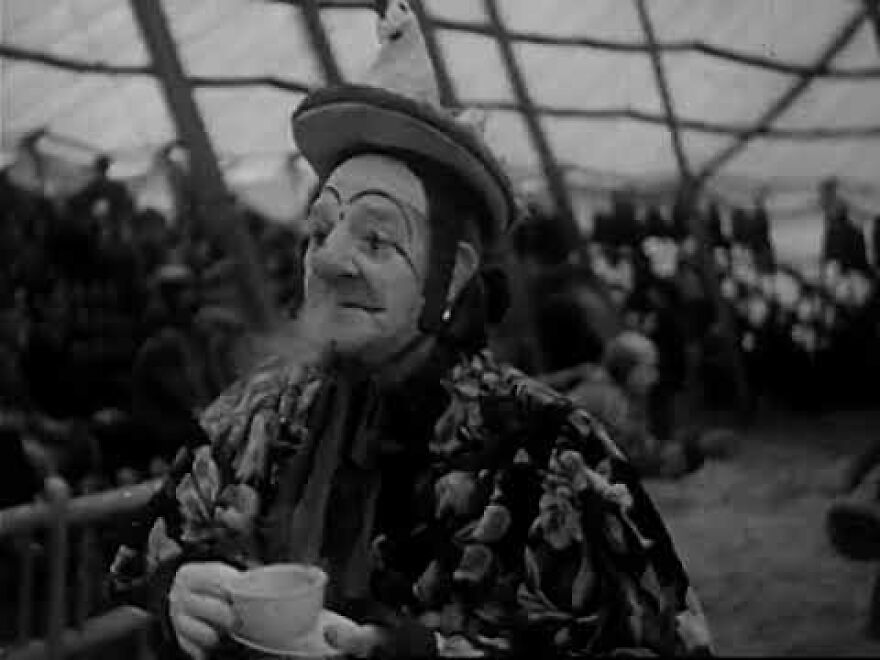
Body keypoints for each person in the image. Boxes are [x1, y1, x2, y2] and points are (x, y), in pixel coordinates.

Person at [110, 3, 712, 658]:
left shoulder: (548, 447)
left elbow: (661, 645)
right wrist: (179, 586)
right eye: (320, 230)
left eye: (375, 239)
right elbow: (151, 548)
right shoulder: (260, 409)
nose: (330, 261)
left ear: (451, 274)